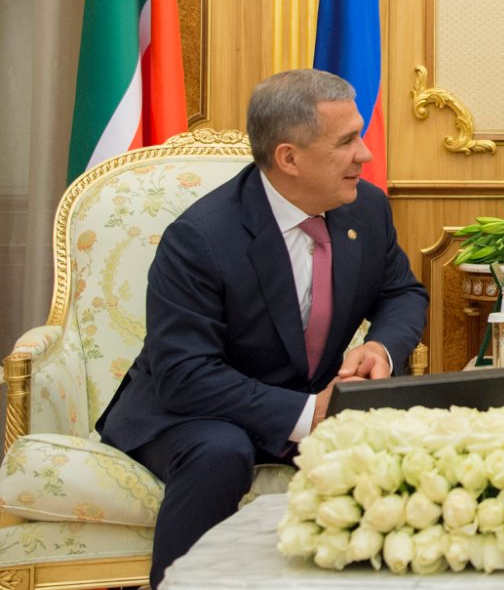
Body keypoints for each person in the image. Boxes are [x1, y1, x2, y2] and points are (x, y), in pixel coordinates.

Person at [96, 69, 429, 587]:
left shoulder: (366, 208)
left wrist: (380, 348)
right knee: (220, 450)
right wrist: (310, 413)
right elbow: (186, 374)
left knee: (402, 445)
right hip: (189, 407)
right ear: (289, 158)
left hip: (304, 394)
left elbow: (402, 293)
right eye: (346, 142)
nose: (364, 155)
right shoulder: (201, 238)